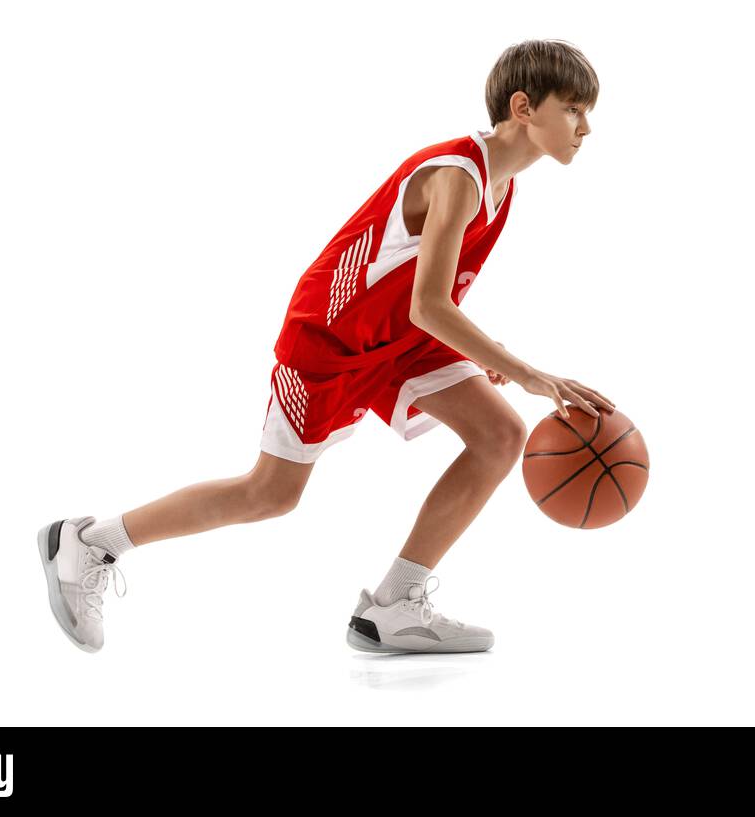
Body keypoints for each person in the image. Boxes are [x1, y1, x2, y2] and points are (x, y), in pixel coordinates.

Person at [37, 39, 615, 654]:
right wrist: (523, 370)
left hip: (400, 339)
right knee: (271, 494)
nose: (586, 127)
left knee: (499, 437)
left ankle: (395, 605)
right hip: (330, 339)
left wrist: (487, 350)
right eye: (574, 109)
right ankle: (93, 540)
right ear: (524, 107)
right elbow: (431, 304)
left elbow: (424, 298)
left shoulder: (504, 189)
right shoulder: (458, 176)